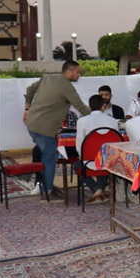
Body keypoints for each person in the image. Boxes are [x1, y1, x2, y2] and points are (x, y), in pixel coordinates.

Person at [24, 60, 91, 199]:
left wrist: (27, 109)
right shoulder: (67, 87)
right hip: (44, 129)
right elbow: (80, 107)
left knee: (44, 154)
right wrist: (98, 115)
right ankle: (47, 191)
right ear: (68, 72)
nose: (79, 75)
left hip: (32, 124)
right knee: (49, 159)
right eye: (77, 72)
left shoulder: (47, 78)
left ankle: (43, 184)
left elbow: (29, 90)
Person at [75, 94, 118, 203]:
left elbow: (79, 145)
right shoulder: (112, 121)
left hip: (89, 159)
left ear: (89, 107)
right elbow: (117, 143)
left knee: (77, 165)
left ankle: (96, 190)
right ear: (103, 106)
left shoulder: (82, 121)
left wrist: (82, 155)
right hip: (109, 160)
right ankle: (99, 191)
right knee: (104, 159)